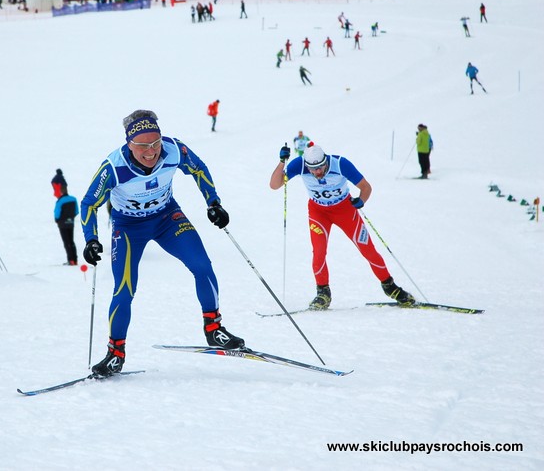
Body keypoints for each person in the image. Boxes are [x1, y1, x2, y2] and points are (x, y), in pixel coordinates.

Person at [80, 110, 244, 377]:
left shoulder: (173, 149)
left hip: (168, 218)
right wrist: (91, 240)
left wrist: (213, 202)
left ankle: (214, 329)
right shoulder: (113, 167)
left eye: (155, 143)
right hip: (129, 228)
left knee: (202, 266)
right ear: (129, 143)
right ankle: (115, 354)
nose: (151, 151)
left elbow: (198, 168)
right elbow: (89, 203)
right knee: (124, 290)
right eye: (143, 145)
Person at [269, 142, 415, 310]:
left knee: (368, 250)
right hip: (319, 213)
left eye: (320, 167)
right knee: (318, 253)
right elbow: (275, 185)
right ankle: (323, 293)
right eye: (312, 169)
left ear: (325, 161)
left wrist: (361, 201)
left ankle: (391, 288)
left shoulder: (340, 164)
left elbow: (366, 187)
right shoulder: (299, 164)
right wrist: (282, 161)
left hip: (345, 211)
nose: (317, 172)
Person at [52, 169, 78, 265]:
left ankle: (70, 260)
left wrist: (57, 220)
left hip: (62, 224)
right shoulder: (73, 199)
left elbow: (57, 213)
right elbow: (76, 211)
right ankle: (75, 259)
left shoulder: (60, 201)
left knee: (66, 242)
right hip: (71, 223)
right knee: (71, 241)